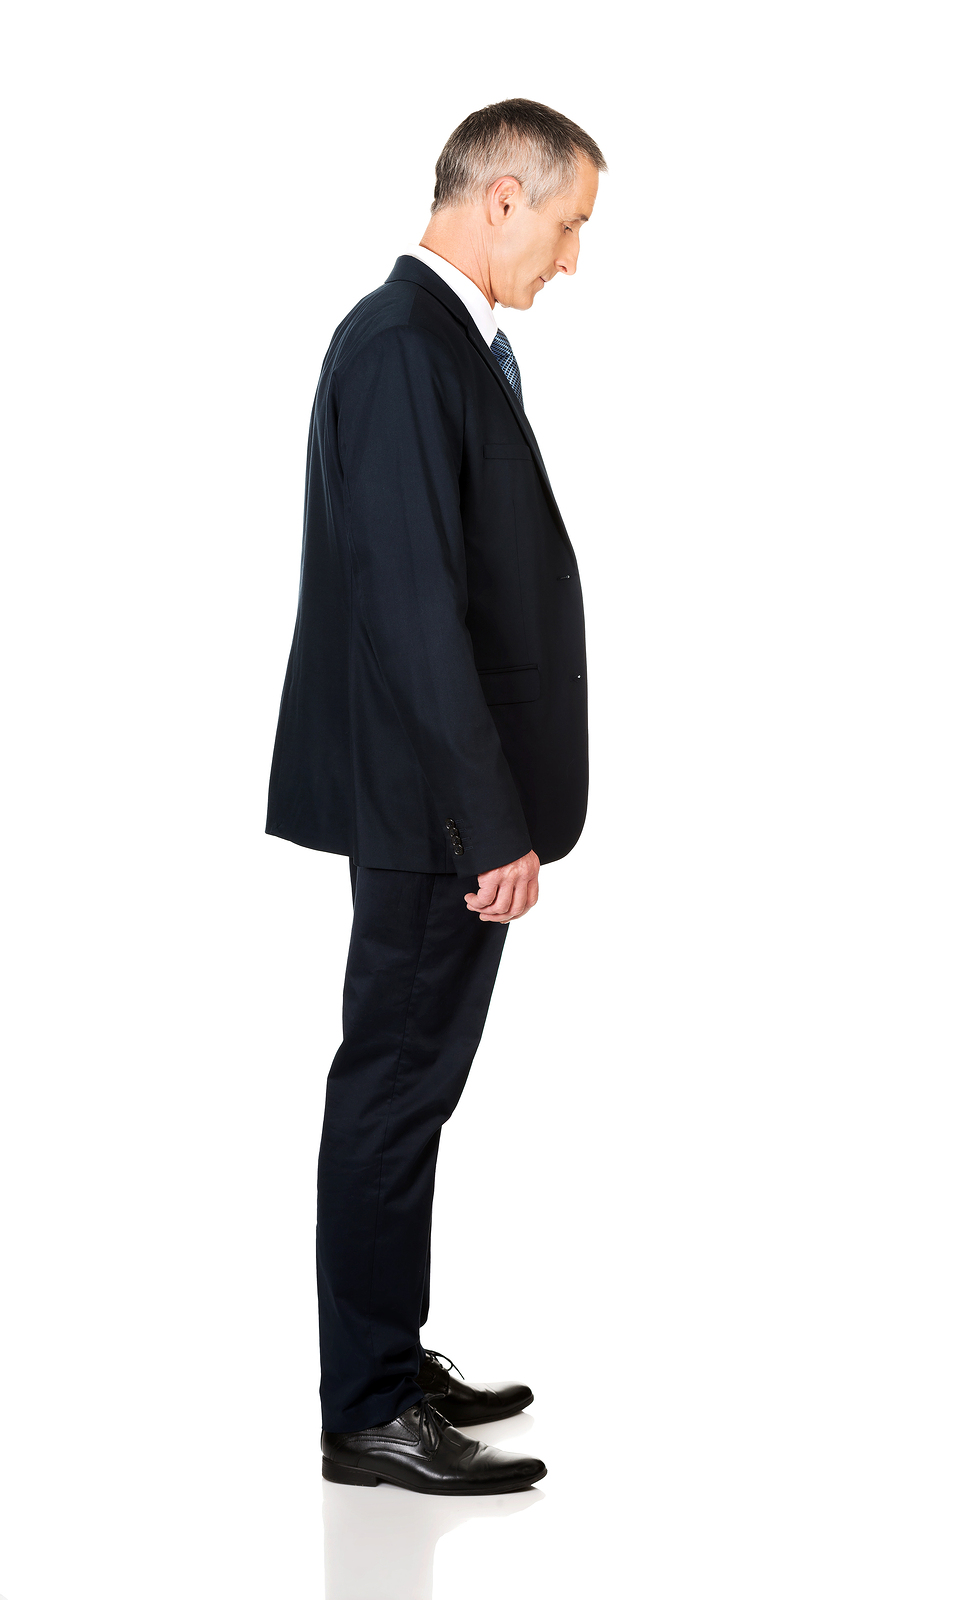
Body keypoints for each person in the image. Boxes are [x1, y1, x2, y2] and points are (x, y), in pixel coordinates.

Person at [267, 99, 605, 1495]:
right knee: (394, 1093)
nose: (573, 259)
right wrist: (490, 822)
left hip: (437, 804)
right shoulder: (407, 345)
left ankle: (389, 1360)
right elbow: (414, 612)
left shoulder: (432, 342)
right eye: (569, 225)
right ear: (504, 198)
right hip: (433, 814)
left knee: (409, 1091)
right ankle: (366, 1408)